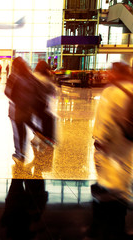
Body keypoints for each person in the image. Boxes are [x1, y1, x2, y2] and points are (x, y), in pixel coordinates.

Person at [88, 62, 133, 239]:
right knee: (124, 173)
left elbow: (104, 120)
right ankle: (119, 212)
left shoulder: (111, 92)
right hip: (127, 142)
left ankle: (108, 223)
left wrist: (100, 140)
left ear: (116, 73)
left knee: (109, 177)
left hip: (111, 144)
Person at [8, 57, 37, 161]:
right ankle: (23, 151)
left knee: (18, 131)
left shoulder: (15, 77)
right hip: (29, 109)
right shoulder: (30, 76)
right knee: (23, 130)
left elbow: (8, 92)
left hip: (18, 109)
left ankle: (19, 154)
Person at [31, 61, 56, 146]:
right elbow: (52, 91)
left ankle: (37, 137)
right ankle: (47, 137)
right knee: (46, 120)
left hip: (34, 103)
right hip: (43, 103)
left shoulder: (34, 76)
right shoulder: (46, 78)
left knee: (37, 121)